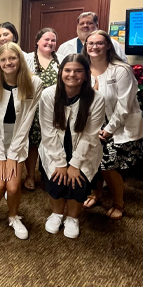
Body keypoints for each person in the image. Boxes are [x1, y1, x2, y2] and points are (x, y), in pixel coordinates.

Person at [0, 42, 43, 239]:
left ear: (20, 60)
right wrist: (1, 155)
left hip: (18, 137)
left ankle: (14, 216)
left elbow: (26, 122)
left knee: (13, 186)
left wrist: (12, 155)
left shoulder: (34, 83)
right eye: (4, 59)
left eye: (12, 58)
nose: (8, 62)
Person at [82, 30, 143, 219]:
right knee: (93, 161)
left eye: (99, 43)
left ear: (108, 45)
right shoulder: (84, 68)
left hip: (118, 126)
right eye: (90, 43)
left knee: (108, 166)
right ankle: (97, 194)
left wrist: (109, 130)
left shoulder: (120, 69)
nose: (94, 46)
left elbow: (124, 104)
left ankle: (119, 203)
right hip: (92, 123)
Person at [39, 55, 105, 238]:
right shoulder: (48, 95)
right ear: (61, 73)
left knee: (78, 182)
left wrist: (75, 164)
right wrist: (60, 162)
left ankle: (73, 217)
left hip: (84, 149)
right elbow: (47, 131)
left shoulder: (96, 99)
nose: (72, 75)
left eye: (78, 71)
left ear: (86, 75)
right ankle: (57, 214)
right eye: (67, 70)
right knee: (56, 180)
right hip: (54, 147)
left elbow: (91, 135)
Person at [25, 28, 65, 191]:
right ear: (37, 41)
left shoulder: (61, 60)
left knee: (53, 141)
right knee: (33, 144)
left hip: (55, 109)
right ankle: (30, 176)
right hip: (33, 109)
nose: (50, 43)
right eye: (46, 40)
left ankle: (51, 174)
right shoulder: (28, 59)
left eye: (53, 40)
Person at [58, 12, 128, 62]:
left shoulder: (111, 44)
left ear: (96, 25)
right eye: (81, 23)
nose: (85, 26)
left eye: (89, 23)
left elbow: (122, 64)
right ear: (77, 27)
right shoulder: (64, 47)